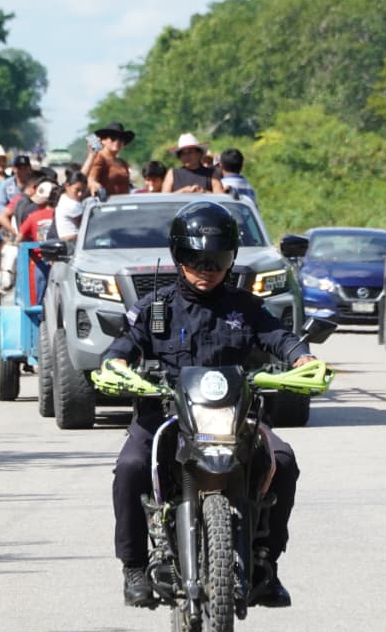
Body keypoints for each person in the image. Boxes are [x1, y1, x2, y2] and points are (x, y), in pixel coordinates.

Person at [102, 200, 313, 609]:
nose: (207, 268)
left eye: (216, 259)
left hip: (234, 416)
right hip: (165, 414)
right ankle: (133, 567)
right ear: (179, 257)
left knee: (283, 461)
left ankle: (267, 563)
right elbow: (123, 344)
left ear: (231, 259)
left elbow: (279, 337)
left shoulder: (246, 307)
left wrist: (302, 358)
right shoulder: (155, 308)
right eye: (197, 259)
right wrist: (117, 363)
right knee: (129, 467)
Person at [86, 122, 135, 197]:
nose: (117, 142)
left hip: (124, 204)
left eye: (121, 139)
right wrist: (96, 186)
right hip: (107, 205)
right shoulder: (99, 158)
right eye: (113, 138)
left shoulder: (123, 163)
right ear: (103, 141)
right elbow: (90, 179)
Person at [53, 171, 88, 241]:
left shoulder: (65, 199)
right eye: (77, 190)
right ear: (67, 186)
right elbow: (87, 224)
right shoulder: (70, 205)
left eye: (83, 191)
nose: (80, 194)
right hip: (71, 243)